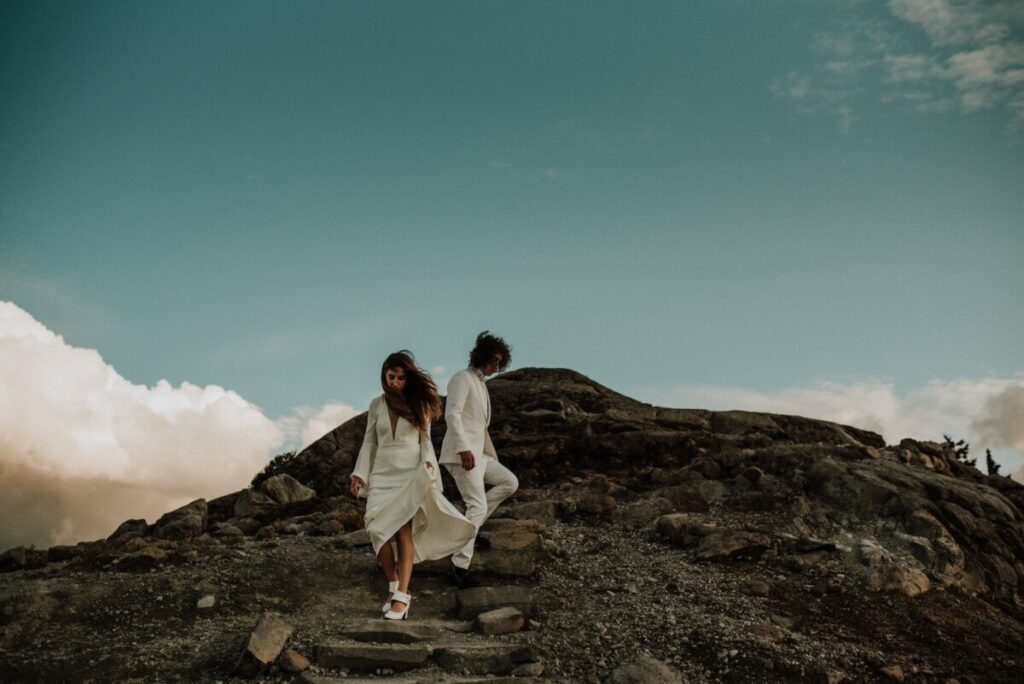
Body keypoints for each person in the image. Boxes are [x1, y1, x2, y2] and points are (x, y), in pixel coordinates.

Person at [350, 351, 475, 620]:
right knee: (376, 529)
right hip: (382, 474)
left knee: (403, 532)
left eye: (400, 377)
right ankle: (393, 584)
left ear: (408, 378)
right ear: (384, 376)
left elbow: (425, 441)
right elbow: (370, 441)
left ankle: (402, 596)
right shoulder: (376, 404)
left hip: (409, 472)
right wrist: (360, 474)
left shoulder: (419, 405)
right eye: (391, 377)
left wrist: (428, 465)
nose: (395, 382)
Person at [440, 331, 518, 587]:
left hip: (481, 455)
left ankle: (468, 533)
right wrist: (463, 449)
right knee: (478, 505)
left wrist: (481, 453)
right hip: (463, 455)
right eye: (494, 359)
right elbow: (452, 414)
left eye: (500, 362)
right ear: (482, 355)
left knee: (510, 482)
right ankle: (458, 566)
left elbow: (479, 426)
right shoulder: (462, 378)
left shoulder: (482, 385)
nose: (497, 365)